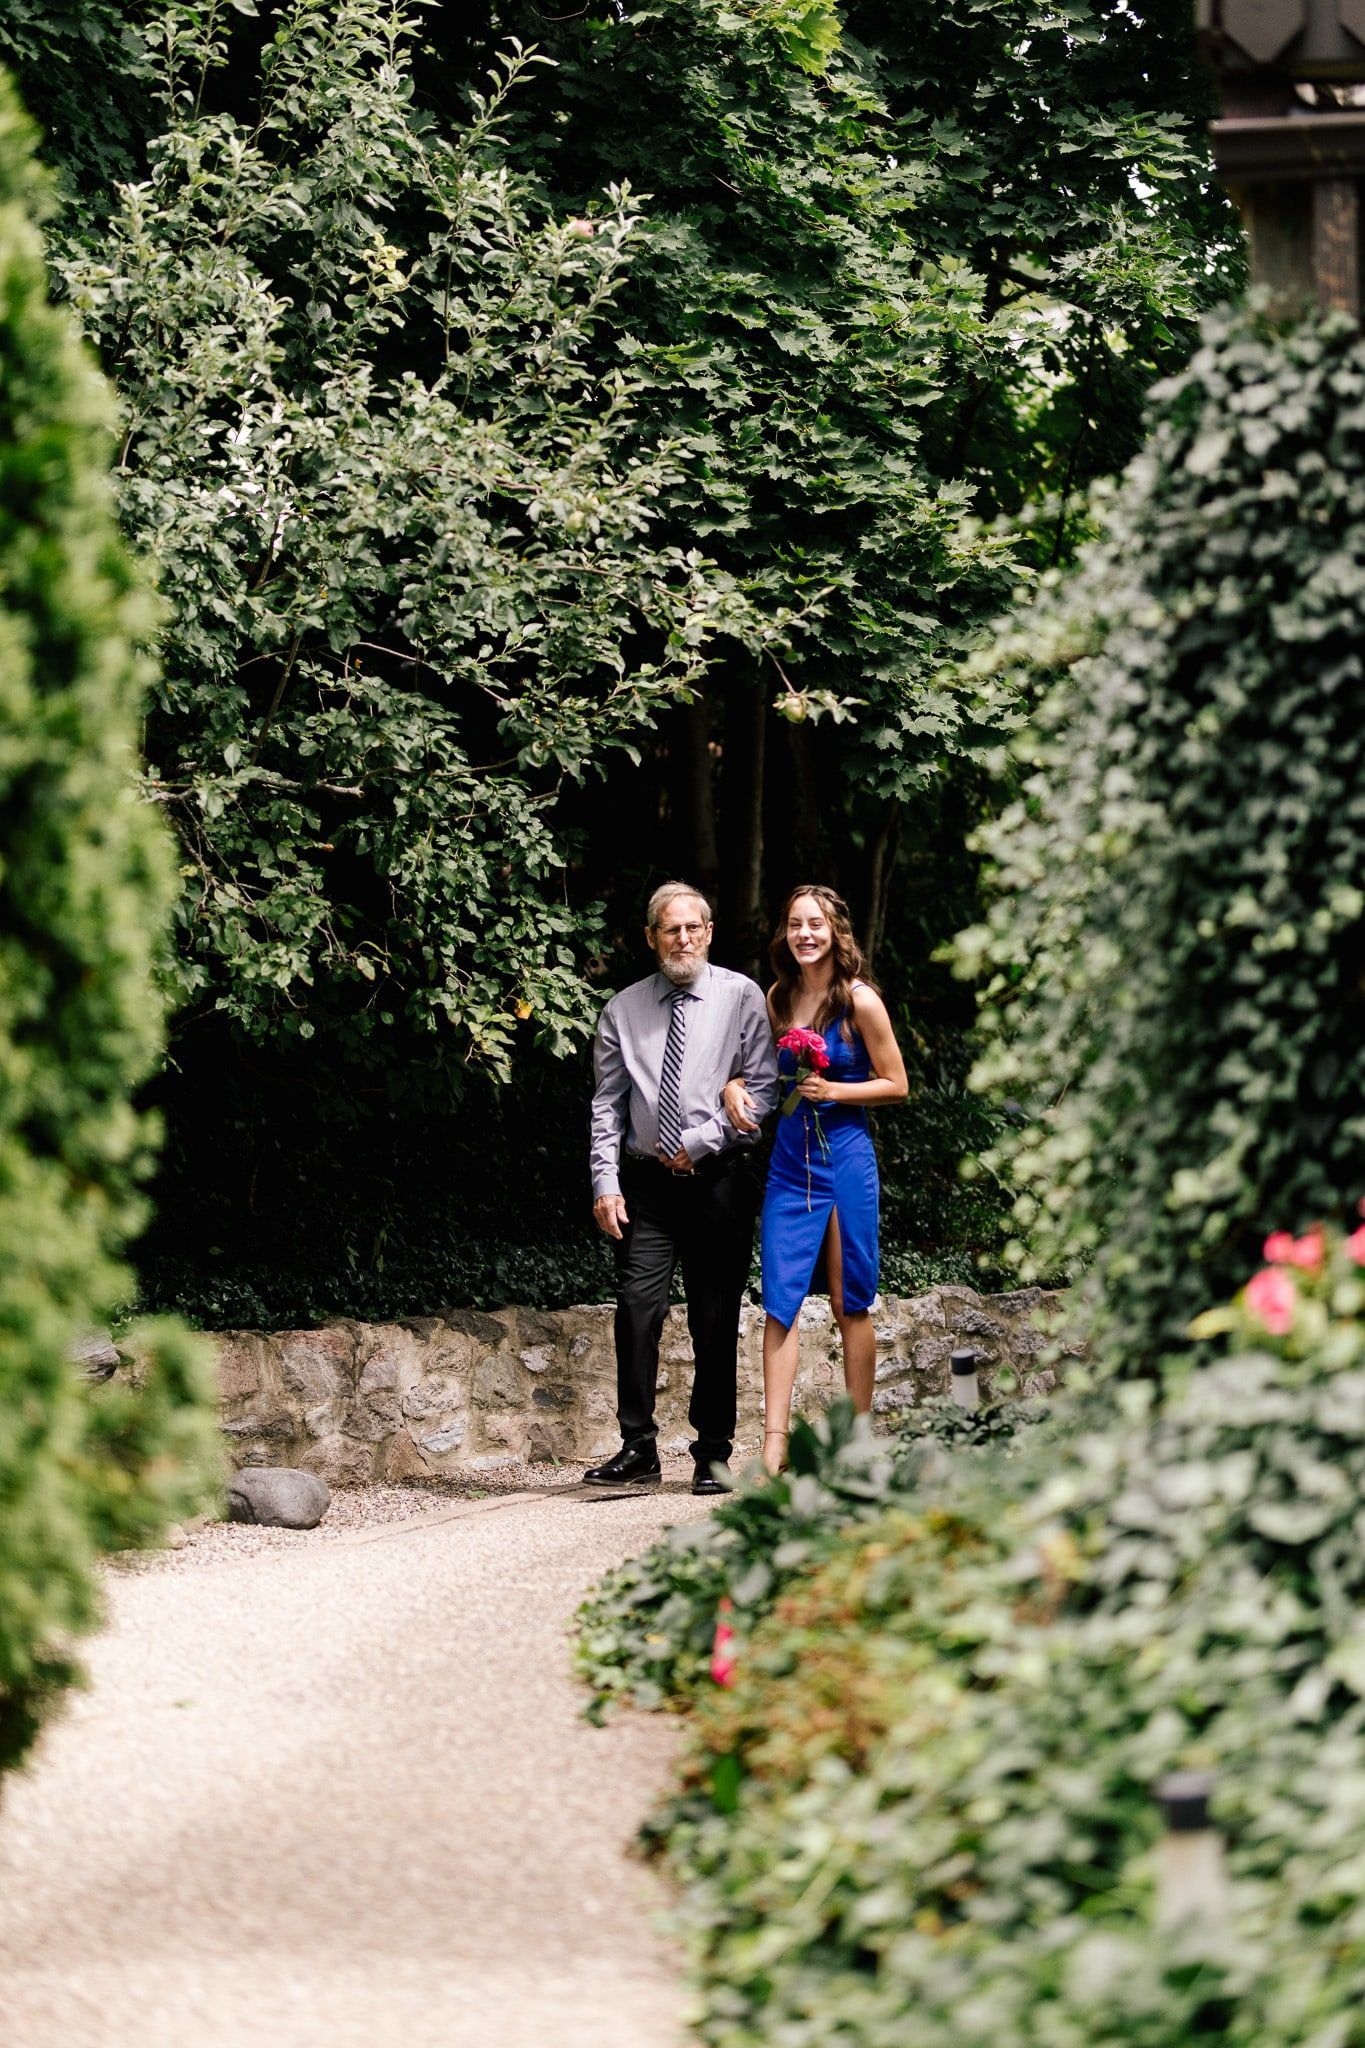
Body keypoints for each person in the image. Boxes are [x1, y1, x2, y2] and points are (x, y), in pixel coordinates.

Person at [586, 882, 779, 1494]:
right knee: (638, 1311)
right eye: (671, 929)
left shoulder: (741, 997)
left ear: (710, 931)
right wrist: (604, 1180)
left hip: (719, 1180)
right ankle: (638, 1446)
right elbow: (606, 1105)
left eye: (694, 927)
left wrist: (697, 1141)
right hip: (644, 1187)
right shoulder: (622, 1010)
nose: (684, 938)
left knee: (714, 1318)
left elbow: (765, 1092)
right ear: (651, 937)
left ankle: (714, 1451)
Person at [724, 885, 908, 1474]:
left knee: (851, 1298)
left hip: (847, 1159)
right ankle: (773, 1441)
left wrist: (835, 1091)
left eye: (817, 925)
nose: (805, 934)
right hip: (790, 1164)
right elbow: (755, 1075)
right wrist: (732, 1088)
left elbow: (897, 1083)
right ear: (786, 933)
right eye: (795, 924)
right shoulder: (777, 998)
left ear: (835, 933)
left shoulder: (860, 1001)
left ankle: (854, 1440)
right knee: (781, 1299)